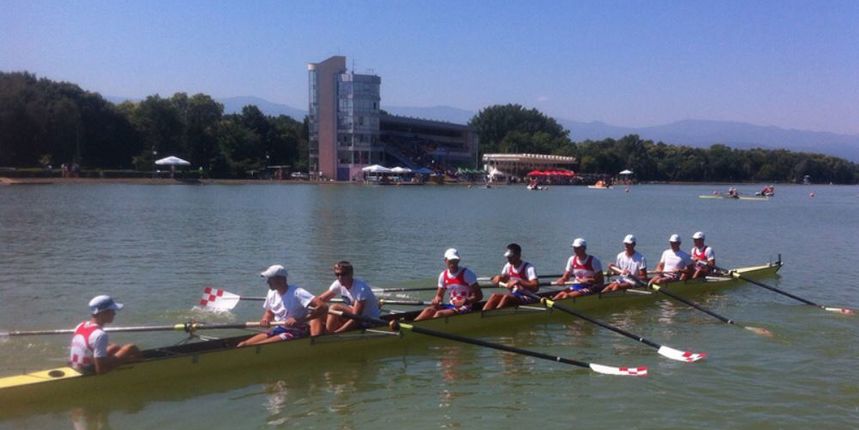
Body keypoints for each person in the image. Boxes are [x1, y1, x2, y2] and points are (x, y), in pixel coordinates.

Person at [237, 264, 325, 347]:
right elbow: (269, 312)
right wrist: (265, 319)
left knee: (258, 346)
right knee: (243, 344)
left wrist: (300, 319)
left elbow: (323, 307)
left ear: (281, 279)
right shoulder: (271, 293)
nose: (267, 282)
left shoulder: (298, 292)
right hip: (280, 329)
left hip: (298, 331)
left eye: (270, 279)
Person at [69, 295, 141, 375]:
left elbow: (91, 343)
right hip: (87, 372)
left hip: (76, 367)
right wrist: (126, 353)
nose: (114, 313)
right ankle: (141, 367)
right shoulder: (100, 334)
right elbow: (101, 370)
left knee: (114, 348)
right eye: (112, 310)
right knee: (130, 348)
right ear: (103, 313)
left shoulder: (80, 325)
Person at [416, 249, 482, 320]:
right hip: (451, 306)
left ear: (458, 260)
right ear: (445, 260)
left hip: (465, 307)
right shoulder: (443, 275)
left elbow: (479, 296)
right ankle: (414, 324)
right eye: (451, 261)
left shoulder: (467, 274)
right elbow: (439, 296)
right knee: (428, 310)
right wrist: (436, 300)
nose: (453, 264)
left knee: (439, 314)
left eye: (455, 261)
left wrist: (466, 301)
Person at [315, 261, 381, 333]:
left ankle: (329, 334)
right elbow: (320, 300)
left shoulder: (360, 288)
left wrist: (337, 333)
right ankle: (316, 334)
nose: (340, 277)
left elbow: (356, 318)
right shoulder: (338, 284)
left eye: (343, 274)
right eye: (337, 274)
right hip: (352, 316)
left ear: (351, 274)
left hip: (368, 321)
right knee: (318, 310)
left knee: (334, 307)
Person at [482, 243, 540, 310]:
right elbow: (504, 278)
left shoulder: (529, 267)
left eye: (510, 256)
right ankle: (484, 312)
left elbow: (536, 286)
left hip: (528, 297)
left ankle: (496, 313)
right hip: (514, 294)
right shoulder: (508, 266)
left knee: (506, 297)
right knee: (494, 296)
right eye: (507, 256)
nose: (508, 258)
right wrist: (498, 278)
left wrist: (518, 282)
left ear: (518, 255)